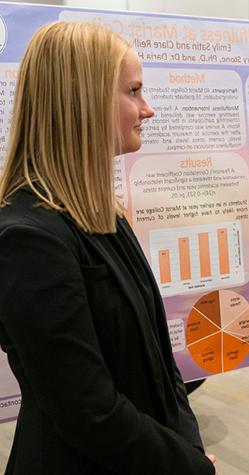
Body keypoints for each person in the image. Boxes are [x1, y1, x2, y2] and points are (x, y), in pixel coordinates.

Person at [0, 21, 215, 474]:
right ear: (85, 101)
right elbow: (88, 410)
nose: (148, 109)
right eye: (134, 91)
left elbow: (159, 362)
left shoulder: (102, 213)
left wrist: (187, 446)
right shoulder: (28, 238)